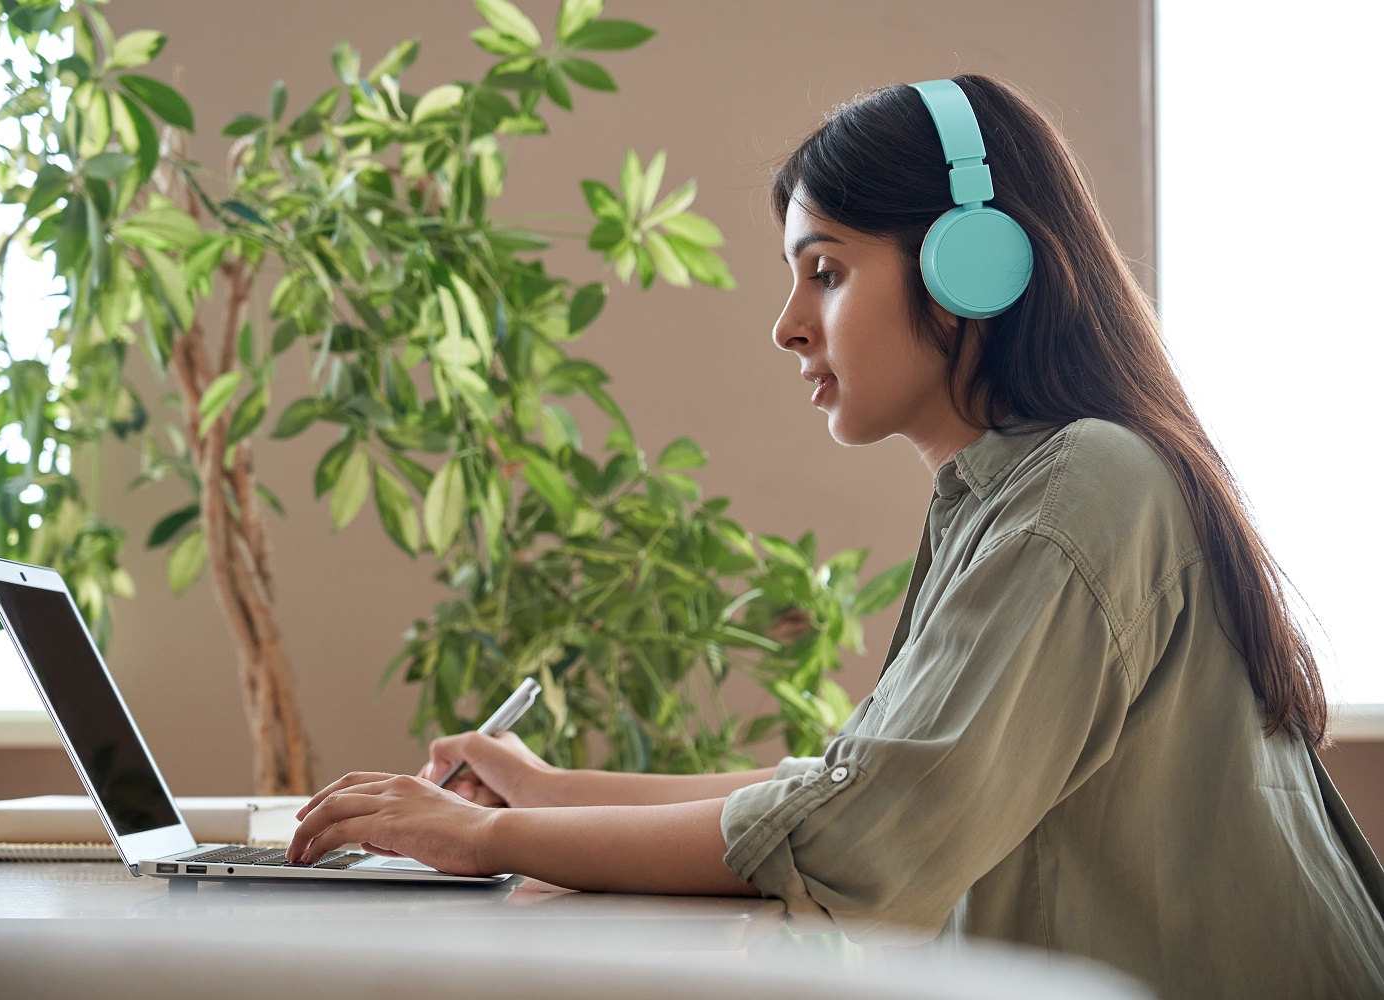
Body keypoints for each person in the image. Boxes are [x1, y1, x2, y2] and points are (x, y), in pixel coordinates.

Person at [287, 75, 1384, 998]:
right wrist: (546, 786)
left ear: (974, 265)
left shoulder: (1084, 490)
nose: (789, 323)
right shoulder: (1010, 493)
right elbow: (846, 785)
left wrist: (482, 839)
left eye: (827, 270)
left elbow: (861, 829)